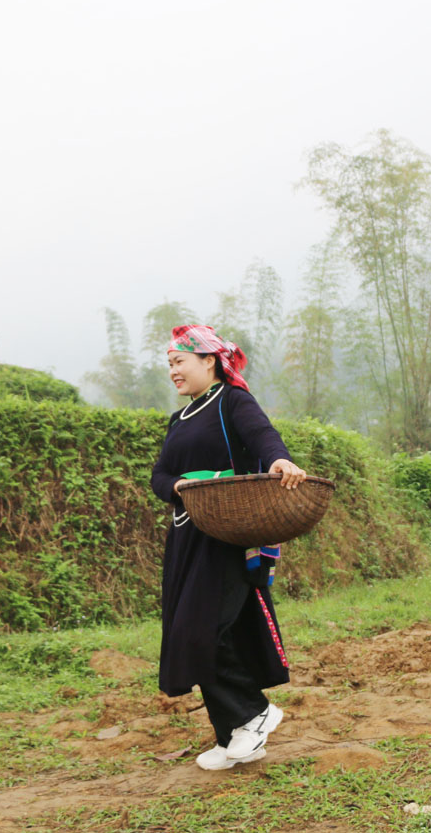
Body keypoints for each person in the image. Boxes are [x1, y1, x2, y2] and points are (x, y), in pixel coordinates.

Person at [150, 325, 307, 771]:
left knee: (204, 629)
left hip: (228, 536)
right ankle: (234, 736)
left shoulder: (232, 401)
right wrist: (179, 484)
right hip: (187, 537)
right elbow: (160, 476)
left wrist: (279, 459)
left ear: (210, 361)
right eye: (170, 364)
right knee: (207, 632)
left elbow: (262, 436)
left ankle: (253, 713)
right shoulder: (177, 420)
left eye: (180, 361)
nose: (173, 371)